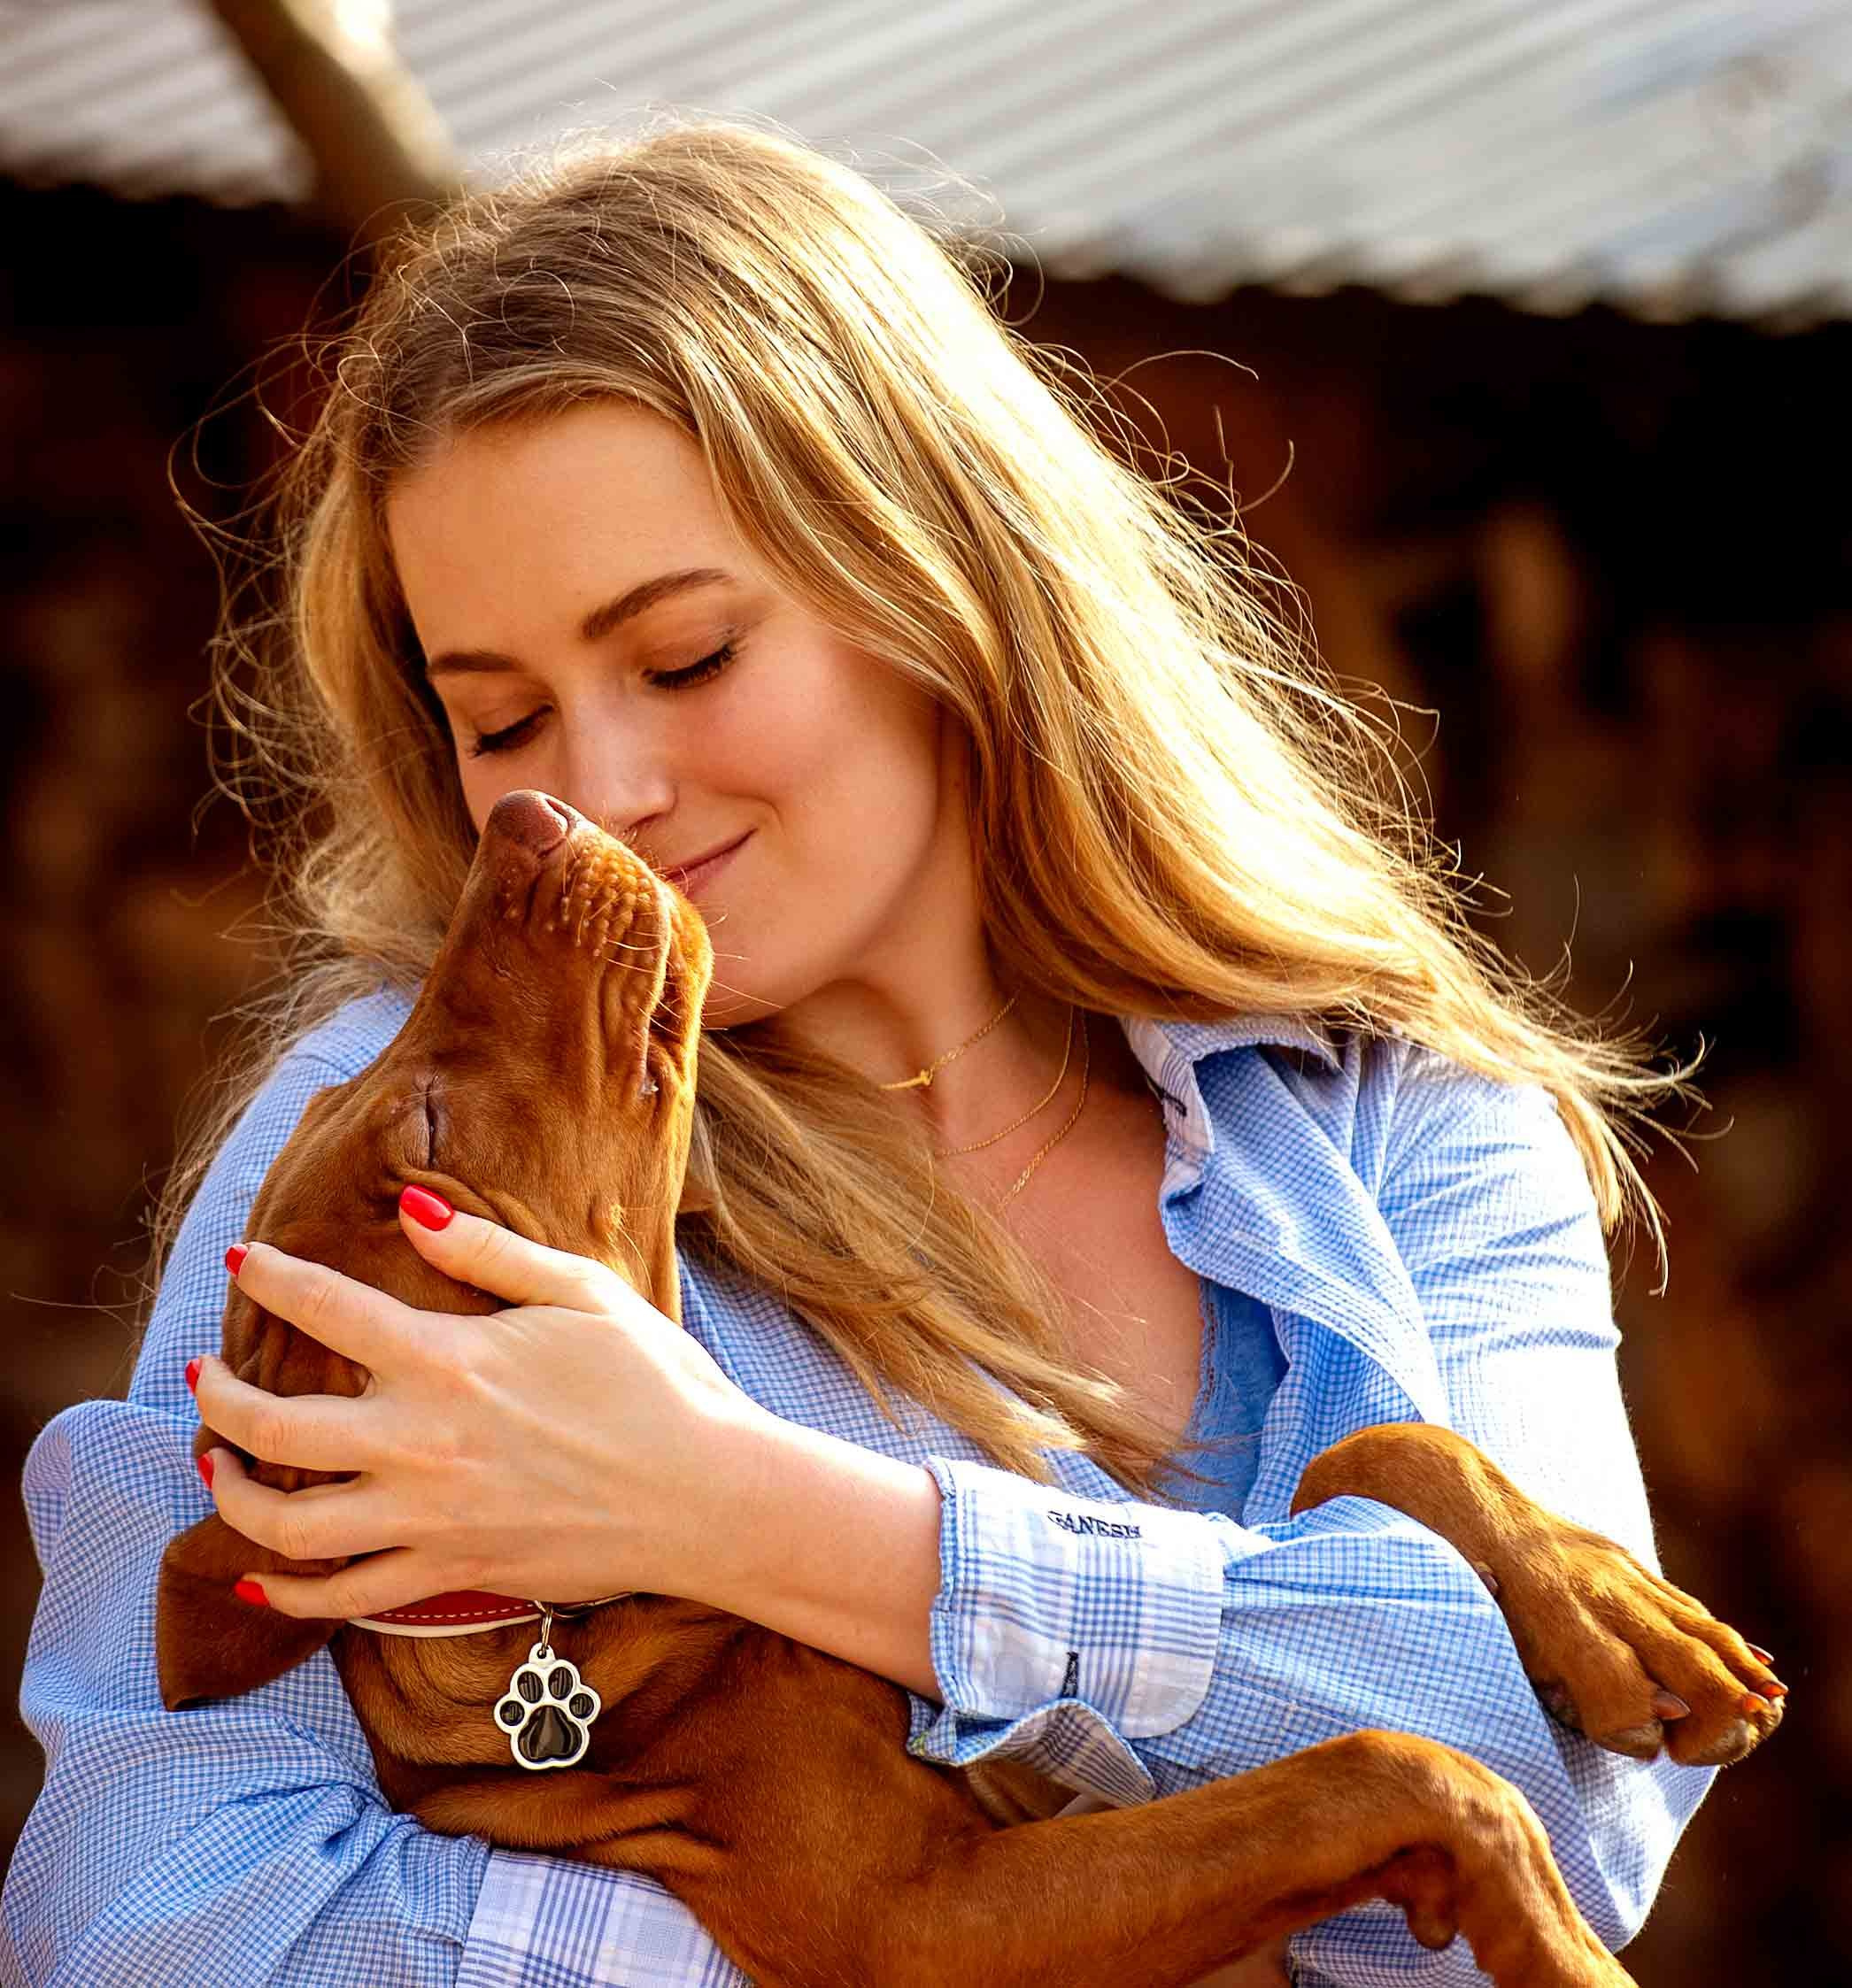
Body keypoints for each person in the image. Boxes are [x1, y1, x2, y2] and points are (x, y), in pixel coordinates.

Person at [6, 114, 1716, 1988]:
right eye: (498, 720)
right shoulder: (418, 1148)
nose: (598, 800)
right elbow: (153, 1913)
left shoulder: (1402, 1127)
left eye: (681, 659)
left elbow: (1547, 1807)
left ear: (939, 575)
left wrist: (743, 1510)